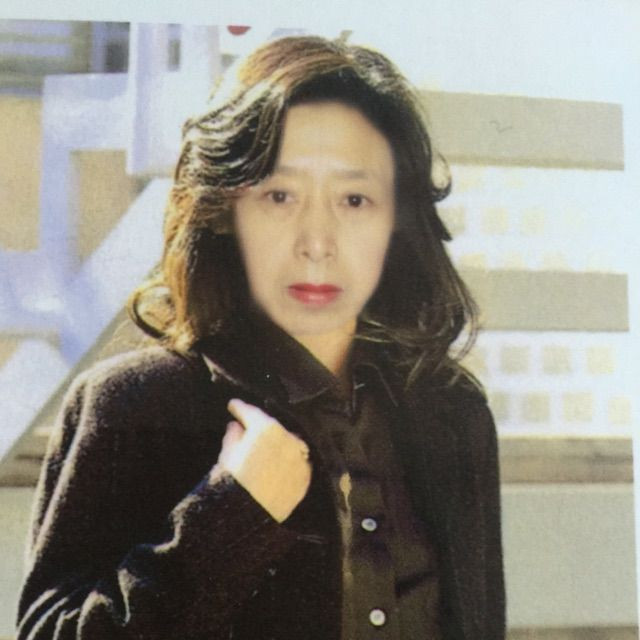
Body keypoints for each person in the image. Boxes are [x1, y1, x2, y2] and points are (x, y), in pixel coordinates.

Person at [17, 35, 504, 639]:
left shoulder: (451, 412)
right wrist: (230, 514)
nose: (317, 241)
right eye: (280, 196)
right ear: (224, 209)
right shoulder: (135, 405)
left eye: (355, 199)